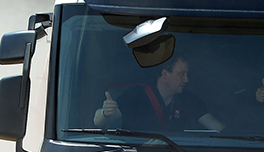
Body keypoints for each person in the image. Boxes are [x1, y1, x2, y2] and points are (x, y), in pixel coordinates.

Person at [94, 56, 225, 131]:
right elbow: (98, 122)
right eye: (181, 74)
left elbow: (218, 128)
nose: (186, 80)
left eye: (186, 74)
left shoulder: (188, 99)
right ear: (165, 74)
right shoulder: (135, 96)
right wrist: (105, 112)